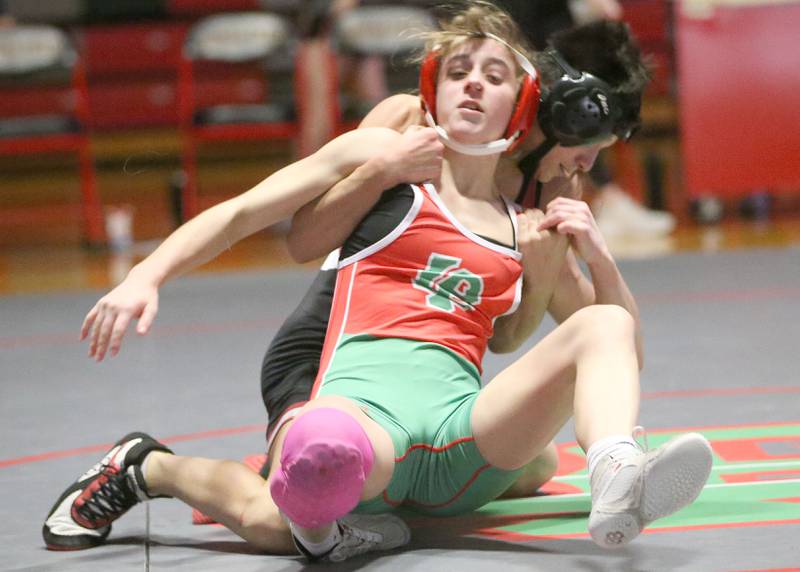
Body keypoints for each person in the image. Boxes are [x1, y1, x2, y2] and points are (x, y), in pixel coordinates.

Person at [43, 1, 711, 562]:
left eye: (492, 75)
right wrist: (149, 273)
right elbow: (305, 237)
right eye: (585, 149)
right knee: (299, 500)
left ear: (521, 98)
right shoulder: (402, 129)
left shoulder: (540, 204)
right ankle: (153, 465)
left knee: (532, 460)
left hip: (436, 388)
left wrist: (574, 267)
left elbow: (553, 339)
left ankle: (609, 475)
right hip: (335, 340)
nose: (587, 165)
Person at [493, 0, 676, 239]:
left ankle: (610, 198)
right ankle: (610, 199)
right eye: (593, 142)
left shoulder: (559, 187)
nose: (586, 165)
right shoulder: (456, 137)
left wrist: (598, 260)